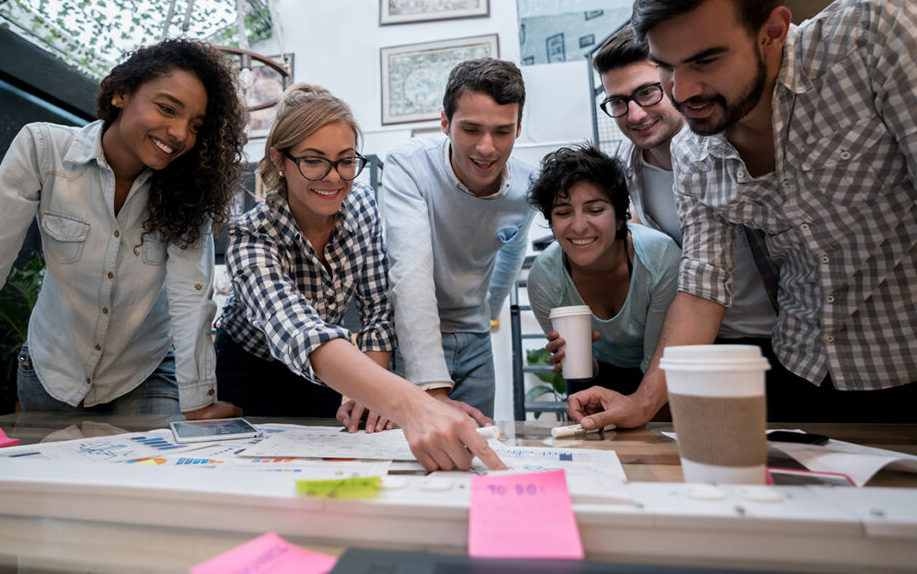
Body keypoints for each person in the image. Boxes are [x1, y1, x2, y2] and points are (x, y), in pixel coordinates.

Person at [570, 0, 917, 429]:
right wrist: (643, 404)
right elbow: (703, 288)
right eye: (666, 67)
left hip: (904, 358)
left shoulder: (870, 32)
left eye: (705, 60)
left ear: (772, 30)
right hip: (802, 371)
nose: (682, 91)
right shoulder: (693, 152)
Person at [0, 39, 246, 438]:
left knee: (152, 474)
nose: (180, 133)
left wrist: (198, 400)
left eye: (196, 125)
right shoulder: (43, 150)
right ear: (121, 93)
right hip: (51, 371)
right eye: (167, 108)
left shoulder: (190, 189)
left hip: (146, 373)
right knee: (50, 476)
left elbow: (190, 296)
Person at [215, 83, 505, 472]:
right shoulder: (251, 235)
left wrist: (370, 396)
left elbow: (377, 312)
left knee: (325, 470)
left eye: (346, 160)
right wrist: (414, 403)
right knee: (258, 474)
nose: (333, 178)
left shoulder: (361, 204)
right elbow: (300, 331)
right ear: (279, 159)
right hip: (251, 370)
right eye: (313, 161)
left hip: (331, 372)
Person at [593, 25, 776, 352]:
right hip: (701, 343)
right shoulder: (623, 170)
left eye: (646, 92)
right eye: (618, 102)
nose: (635, 114)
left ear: (672, 81)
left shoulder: (735, 143)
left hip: (785, 334)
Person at [383, 58, 537, 418]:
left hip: (476, 341)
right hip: (411, 336)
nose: (487, 148)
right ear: (445, 122)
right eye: (471, 129)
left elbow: (513, 250)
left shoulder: (528, 186)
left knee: (476, 440)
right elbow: (410, 272)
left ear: (518, 128)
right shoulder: (410, 166)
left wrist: (489, 312)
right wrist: (432, 388)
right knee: (408, 442)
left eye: (502, 131)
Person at [526, 146, 679, 399]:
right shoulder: (545, 277)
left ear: (619, 217)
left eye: (595, 210)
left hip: (660, 373)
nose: (578, 226)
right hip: (597, 376)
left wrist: (638, 408)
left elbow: (658, 364)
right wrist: (577, 360)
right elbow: (583, 374)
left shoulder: (659, 258)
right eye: (563, 213)